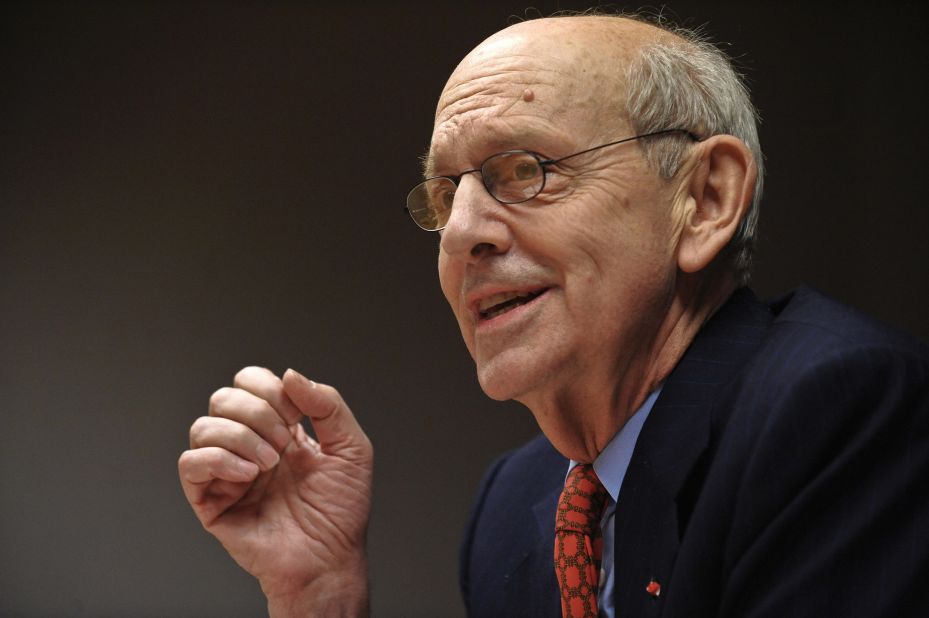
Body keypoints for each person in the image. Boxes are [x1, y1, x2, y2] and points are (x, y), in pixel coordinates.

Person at [178, 13, 929, 618]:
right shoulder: (513, 504)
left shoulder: (837, 407)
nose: (462, 231)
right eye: (444, 195)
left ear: (702, 202)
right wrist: (321, 597)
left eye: (523, 171)